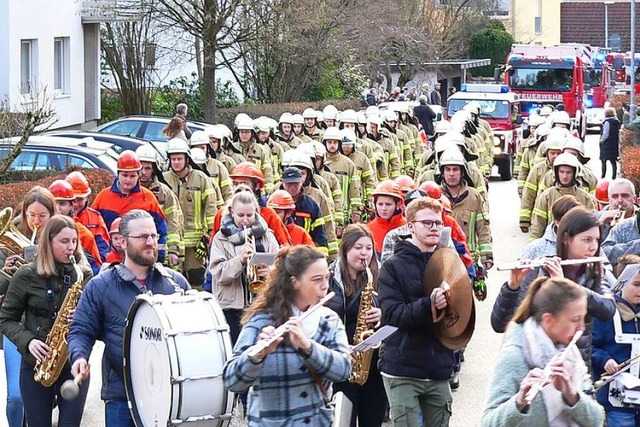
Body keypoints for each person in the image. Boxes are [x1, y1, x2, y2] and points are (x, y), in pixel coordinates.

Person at [67, 210, 190, 427]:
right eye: (143, 237)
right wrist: (79, 357)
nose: (151, 242)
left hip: (169, 395)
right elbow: (81, 330)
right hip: (121, 396)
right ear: (122, 242)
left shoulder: (176, 284)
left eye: (153, 236)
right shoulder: (100, 286)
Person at [223, 245, 351, 426]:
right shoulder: (262, 320)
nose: (325, 286)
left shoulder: (328, 320)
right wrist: (257, 355)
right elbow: (231, 380)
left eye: (326, 278)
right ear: (295, 282)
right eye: (316, 280)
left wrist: (309, 347)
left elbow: (344, 370)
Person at [0, 215, 93, 427]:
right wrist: (29, 341)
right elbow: (6, 319)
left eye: (74, 241)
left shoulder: (83, 275)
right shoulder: (25, 275)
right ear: (48, 242)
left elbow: (96, 320)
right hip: (36, 364)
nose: (71, 247)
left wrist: (82, 315)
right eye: (64, 241)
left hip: (73, 363)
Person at [491, 206, 616, 365]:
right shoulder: (542, 269)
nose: (593, 247)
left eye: (596, 240)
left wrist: (566, 286)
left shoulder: (594, 273)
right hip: (538, 367)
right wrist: (512, 286)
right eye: (586, 240)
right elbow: (500, 324)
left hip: (577, 368)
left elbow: (608, 309)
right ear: (566, 239)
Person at [482, 277, 604, 426]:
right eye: (575, 320)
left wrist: (572, 394)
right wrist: (519, 402)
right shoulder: (514, 355)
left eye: (583, 319)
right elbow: (488, 422)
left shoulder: (569, 353)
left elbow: (597, 420)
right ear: (548, 320)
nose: (581, 328)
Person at [378, 196, 454, 426]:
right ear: (410, 226)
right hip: (402, 368)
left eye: (438, 223)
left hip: (438, 366)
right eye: (427, 223)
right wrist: (428, 304)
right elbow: (391, 315)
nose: (434, 228)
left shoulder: (447, 262)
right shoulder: (393, 266)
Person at [0, 186, 57, 427]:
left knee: (45, 393)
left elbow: (79, 276)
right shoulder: (8, 241)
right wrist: (8, 271)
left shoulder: (62, 237)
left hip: (50, 329)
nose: (35, 222)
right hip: (18, 326)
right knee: (15, 396)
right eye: (30, 215)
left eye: (42, 216)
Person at [327, 224, 386, 427]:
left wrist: (383, 314)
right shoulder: (328, 279)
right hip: (343, 361)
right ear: (345, 249)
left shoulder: (378, 277)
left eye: (369, 248)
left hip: (373, 363)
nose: (364, 253)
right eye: (358, 248)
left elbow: (395, 311)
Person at [209, 191, 279, 343]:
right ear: (231, 212)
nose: (246, 220)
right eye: (241, 215)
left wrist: (271, 272)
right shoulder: (220, 238)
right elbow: (218, 273)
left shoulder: (267, 235)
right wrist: (239, 260)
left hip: (260, 305)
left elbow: (281, 266)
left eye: (250, 215)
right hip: (231, 307)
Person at [92, 150, 169, 263]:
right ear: (118, 174)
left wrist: (159, 258)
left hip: (140, 259)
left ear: (138, 175)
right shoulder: (103, 197)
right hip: (110, 260)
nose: (128, 179)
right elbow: (94, 229)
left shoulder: (148, 198)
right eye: (124, 175)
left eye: (132, 176)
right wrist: (104, 255)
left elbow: (161, 230)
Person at [592, 255, 640, 426]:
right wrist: (605, 360)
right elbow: (591, 347)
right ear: (622, 282)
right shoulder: (606, 314)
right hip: (616, 400)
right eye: (636, 285)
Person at [163, 138, 217, 287]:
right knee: (173, 282)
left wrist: (208, 239)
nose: (176, 162)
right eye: (173, 159)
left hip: (196, 245)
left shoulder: (201, 179)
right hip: (172, 245)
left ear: (187, 159)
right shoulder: (164, 179)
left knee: (197, 280)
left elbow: (211, 209)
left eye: (179, 158)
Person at [49, 179, 103, 275]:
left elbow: (95, 270)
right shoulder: (39, 226)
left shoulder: (84, 234)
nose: (57, 208)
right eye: (54, 203)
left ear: (71, 206)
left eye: (62, 204)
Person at [66, 171, 111, 261]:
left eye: (80, 199)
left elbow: (104, 249)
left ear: (86, 198)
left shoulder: (95, 218)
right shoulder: (56, 218)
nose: (76, 204)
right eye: (73, 200)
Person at [367, 180, 406, 259]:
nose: (383, 209)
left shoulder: (408, 227)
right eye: (380, 204)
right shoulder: (368, 229)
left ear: (398, 205)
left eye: (388, 204)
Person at [600, 107, 621, 179]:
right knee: (613, 161)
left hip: (606, 145)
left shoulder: (607, 122)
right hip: (614, 143)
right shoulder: (616, 122)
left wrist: (601, 140)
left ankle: (603, 176)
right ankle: (614, 176)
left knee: (604, 161)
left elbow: (605, 134)